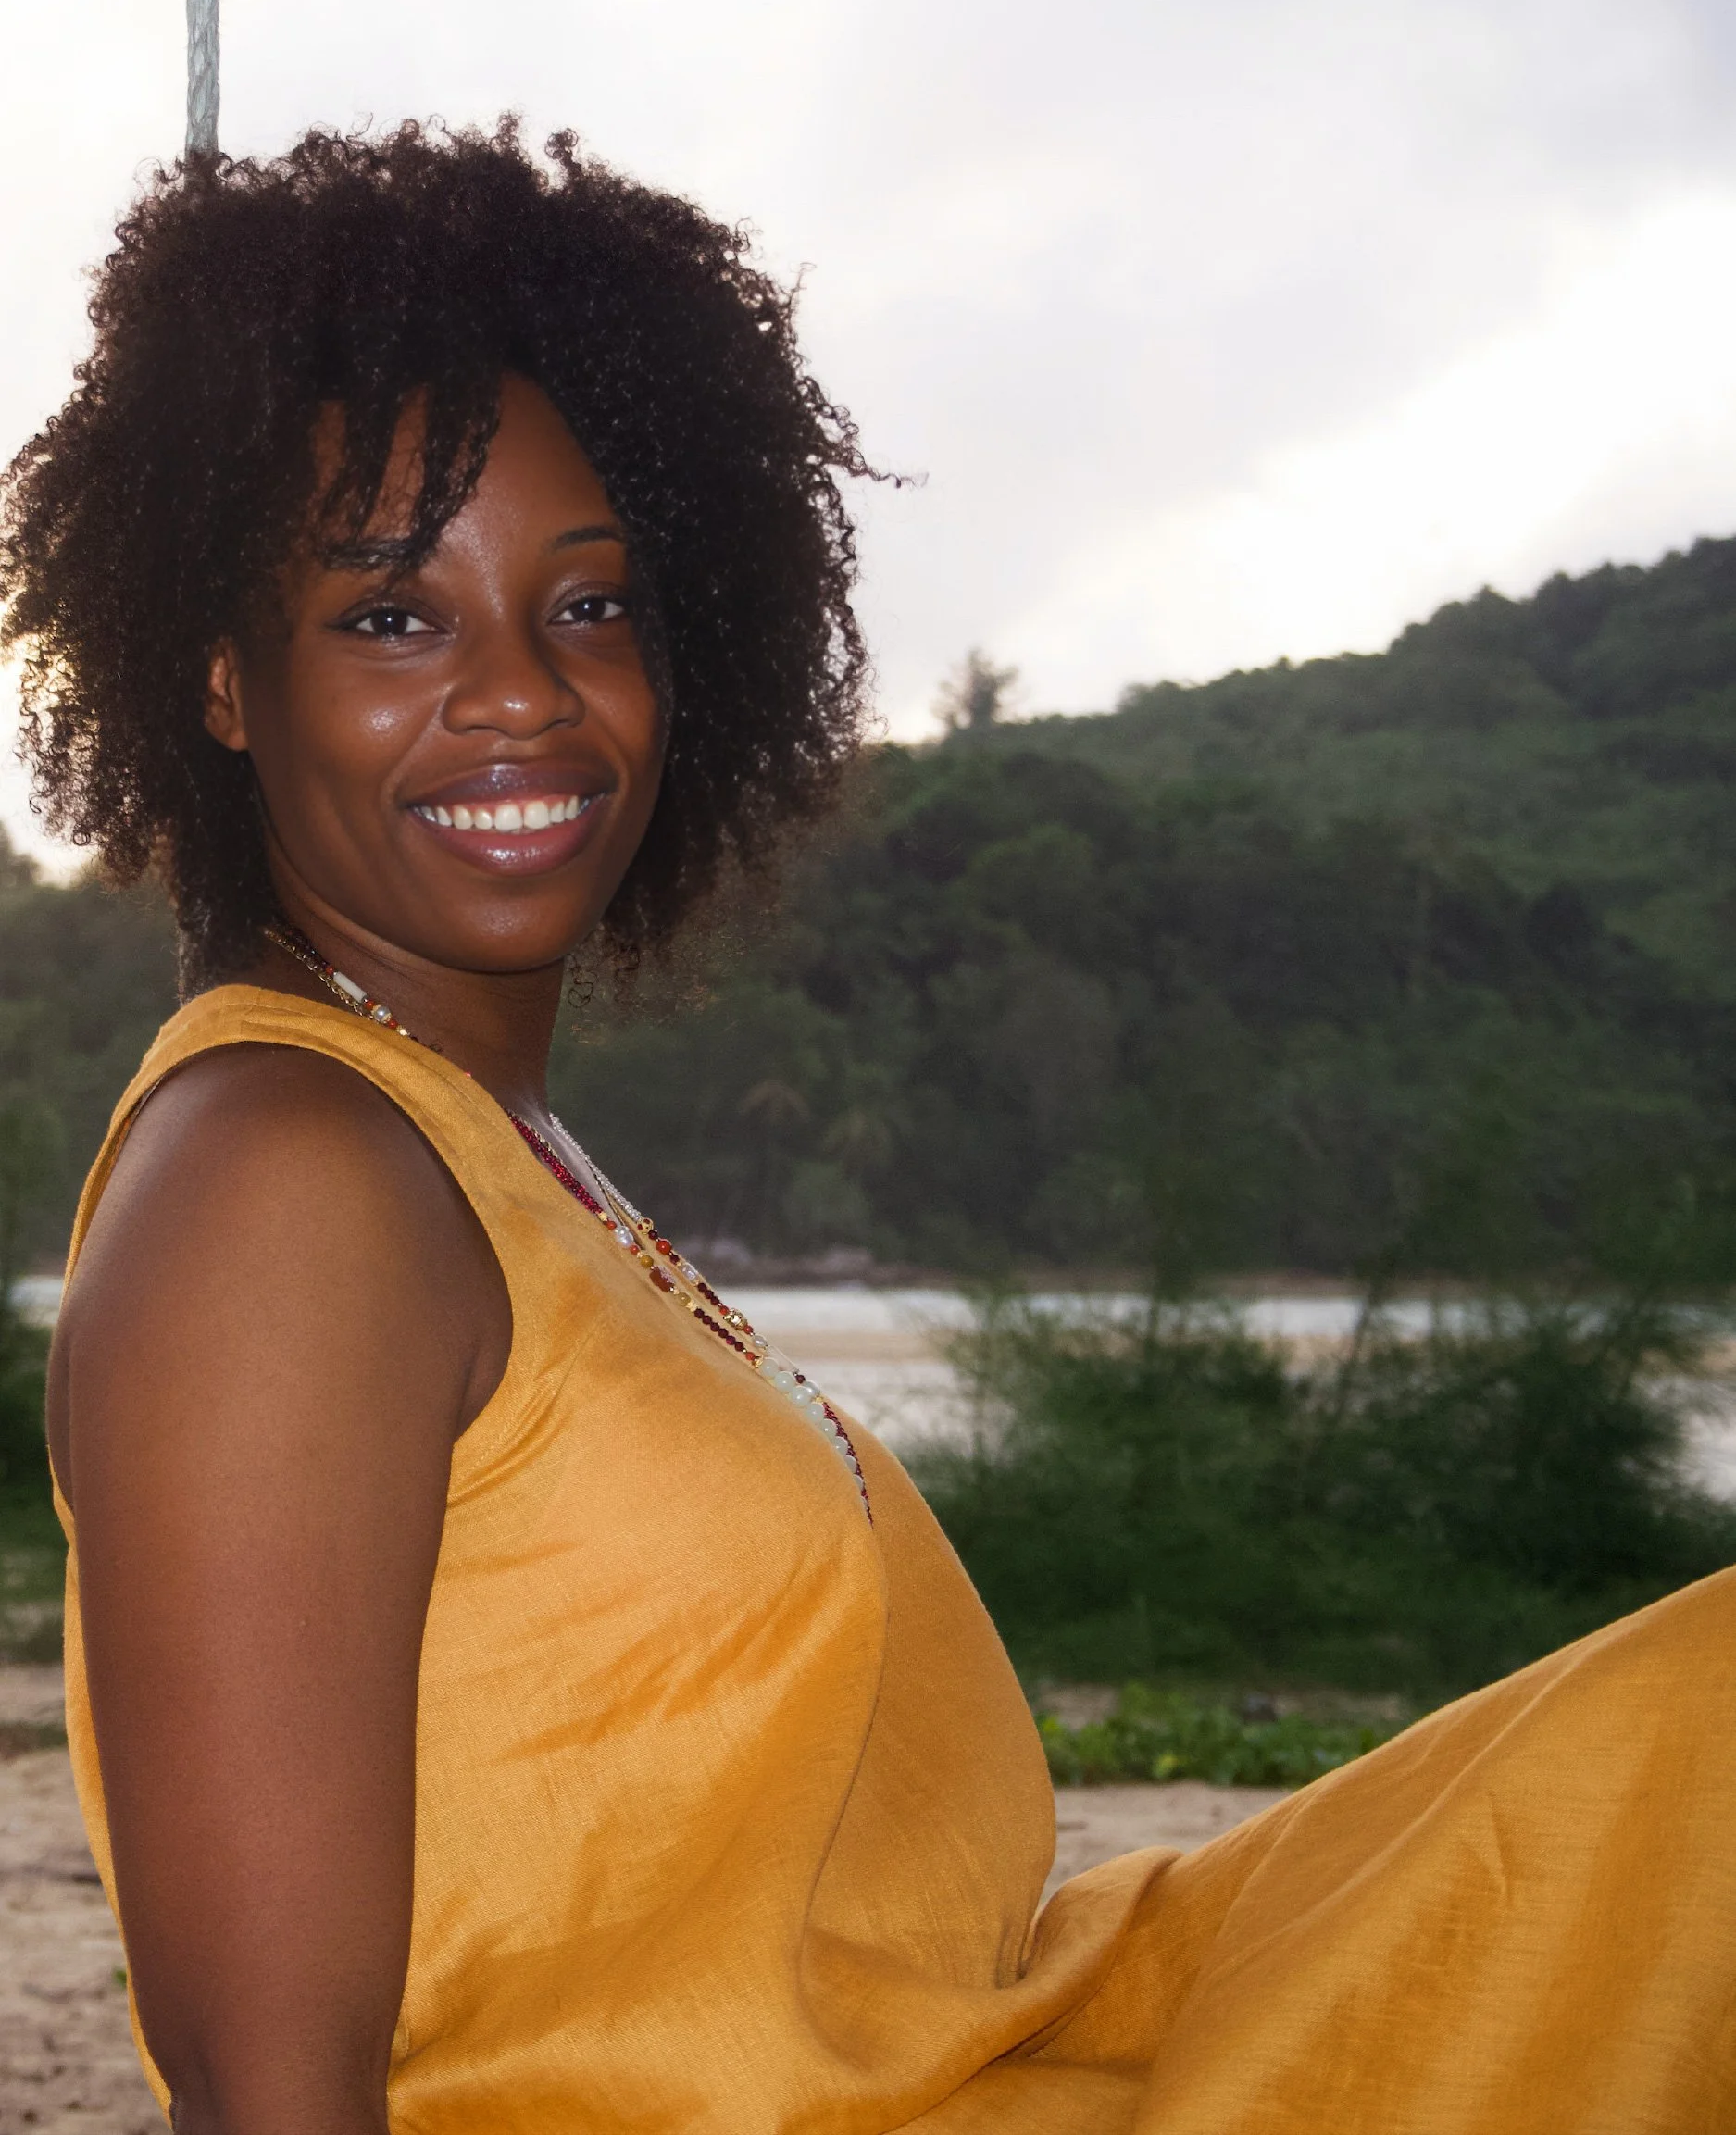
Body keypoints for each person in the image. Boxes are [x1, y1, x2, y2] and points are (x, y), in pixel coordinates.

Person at [3, 120, 1733, 2135]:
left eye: (590, 606)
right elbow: (267, 2084)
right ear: (216, 678)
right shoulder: (281, 1182)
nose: (523, 699)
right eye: (394, 617)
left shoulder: (493, 1149)